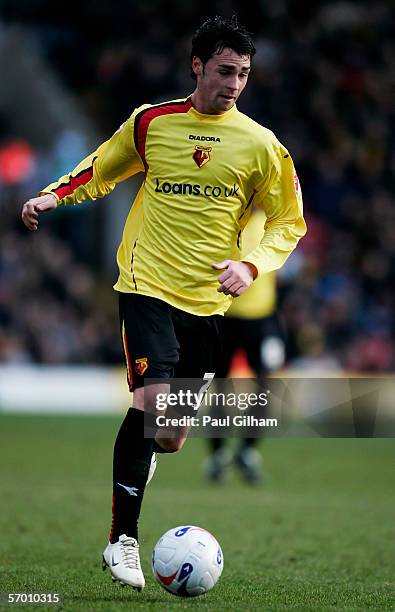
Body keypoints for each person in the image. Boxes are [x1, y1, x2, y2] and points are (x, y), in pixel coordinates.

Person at [21, 15, 306, 591]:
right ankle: (121, 541)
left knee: (171, 436)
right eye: (225, 70)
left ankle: (148, 455)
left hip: (207, 304)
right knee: (151, 410)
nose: (234, 83)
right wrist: (53, 195)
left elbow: (288, 221)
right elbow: (103, 167)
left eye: (244, 74)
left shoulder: (262, 147)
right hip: (146, 284)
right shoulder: (152, 123)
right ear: (197, 66)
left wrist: (250, 265)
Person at [205, 208, 286, 484]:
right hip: (222, 314)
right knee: (218, 386)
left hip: (262, 318)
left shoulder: (274, 217)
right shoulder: (223, 210)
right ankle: (218, 454)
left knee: (265, 386)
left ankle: (248, 450)